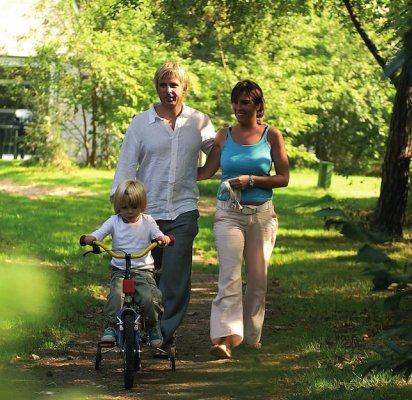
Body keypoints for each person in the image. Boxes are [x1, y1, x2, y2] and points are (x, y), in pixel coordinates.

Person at [111, 61, 216, 348]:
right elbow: (126, 166)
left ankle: (162, 336)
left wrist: (208, 172)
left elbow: (219, 151)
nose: (168, 91)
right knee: (144, 276)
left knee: (174, 278)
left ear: (185, 88)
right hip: (145, 214)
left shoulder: (199, 122)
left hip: (183, 211)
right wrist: (118, 202)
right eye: (163, 85)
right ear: (156, 87)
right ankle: (142, 325)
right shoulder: (141, 123)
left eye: (174, 85)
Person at [197, 79, 289, 359]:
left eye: (245, 102)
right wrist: (168, 169)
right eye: (235, 102)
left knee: (258, 280)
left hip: (262, 216)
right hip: (229, 214)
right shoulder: (224, 136)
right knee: (229, 276)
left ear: (258, 105)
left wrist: (252, 179)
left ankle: (250, 337)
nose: (238, 107)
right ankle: (223, 339)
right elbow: (205, 172)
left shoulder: (272, 136)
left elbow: (283, 178)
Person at [82, 179, 171, 347]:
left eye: (134, 207)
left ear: (142, 206)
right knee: (115, 295)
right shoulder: (114, 221)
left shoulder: (148, 221)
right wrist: (92, 239)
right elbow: (100, 232)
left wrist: (161, 238)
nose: (129, 211)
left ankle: (152, 326)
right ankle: (111, 326)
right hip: (120, 270)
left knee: (150, 298)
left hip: (142, 271)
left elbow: (157, 233)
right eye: (124, 207)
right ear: (118, 206)